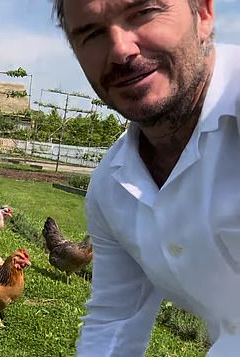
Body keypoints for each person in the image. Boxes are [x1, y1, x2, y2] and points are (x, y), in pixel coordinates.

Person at [51, 0, 240, 355]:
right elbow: (114, 322)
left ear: (203, 14)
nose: (121, 50)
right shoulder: (112, 188)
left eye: (145, 11)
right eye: (91, 33)